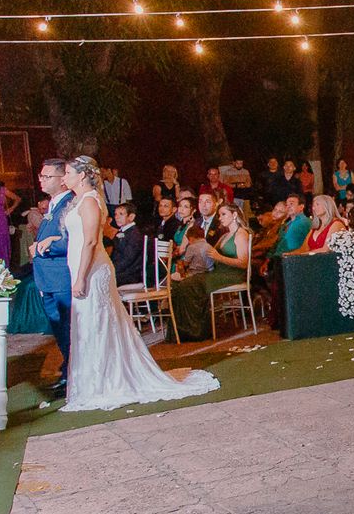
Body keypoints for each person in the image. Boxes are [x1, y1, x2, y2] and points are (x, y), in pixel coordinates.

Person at [55, 156, 219, 411]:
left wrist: (80, 277)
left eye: (67, 172)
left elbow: (89, 242)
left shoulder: (89, 202)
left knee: (96, 323)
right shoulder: (81, 201)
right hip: (85, 267)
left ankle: (107, 380)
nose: (63, 177)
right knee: (88, 323)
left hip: (91, 270)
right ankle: (93, 382)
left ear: (82, 175)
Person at [168, 202, 252, 341]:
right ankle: (181, 332)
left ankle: (196, 331)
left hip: (232, 274)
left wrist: (220, 257)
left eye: (224, 214)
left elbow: (244, 263)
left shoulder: (241, 234)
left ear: (235, 215)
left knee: (188, 285)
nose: (220, 218)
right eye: (219, 215)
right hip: (217, 272)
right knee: (179, 284)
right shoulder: (225, 236)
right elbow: (208, 252)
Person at [30, 158, 78, 395]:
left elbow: (73, 239)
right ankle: (67, 369)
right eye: (41, 176)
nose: (41, 180)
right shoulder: (52, 205)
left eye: (47, 176)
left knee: (68, 330)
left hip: (61, 277)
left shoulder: (70, 204)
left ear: (62, 181)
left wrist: (45, 246)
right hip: (48, 278)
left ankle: (72, 374)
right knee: (60, 330)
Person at [108, 201, 145, 285]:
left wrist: (111, 269)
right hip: (120, 271)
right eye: (115, 214)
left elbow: (128, 259)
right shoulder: (121, 232)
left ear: (131, 217)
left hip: (129, 275)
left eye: (121, 214)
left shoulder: (134, 235)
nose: (117, 217)